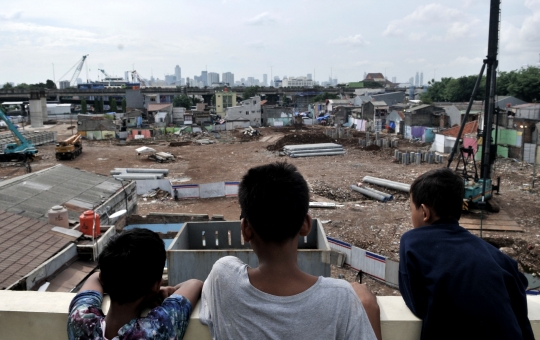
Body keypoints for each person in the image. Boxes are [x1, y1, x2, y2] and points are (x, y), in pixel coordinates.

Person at [200, 162, 381, 340]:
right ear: (306, 225)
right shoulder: (342, 299)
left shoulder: (222, 276)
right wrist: (368, 308)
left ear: (245, 229)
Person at [399, 168, 534, 340]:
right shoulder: (499, 258)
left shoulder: (413, 242)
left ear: (424, 212)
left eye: (412, 209)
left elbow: (417, 303)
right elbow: (518, 292)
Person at [67, 228, 203, 340]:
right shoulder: (156, 330)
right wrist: (156, 291)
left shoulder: (80, 320)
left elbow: (95, 277)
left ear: (104, 279)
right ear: (155, 285)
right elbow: (194, 284)